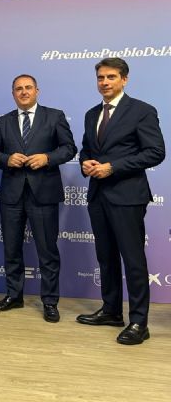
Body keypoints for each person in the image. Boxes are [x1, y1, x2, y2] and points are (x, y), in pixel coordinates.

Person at [77, 57, 165, 345]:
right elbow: (86, 149)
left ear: (124, 79)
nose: (105, 82)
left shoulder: (142, 110)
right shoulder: (92, 114)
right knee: (106, 257)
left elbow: (155, 152)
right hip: (98, 195)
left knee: (133, 259)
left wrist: (113, 167)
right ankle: (111, 311)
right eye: (101, 77)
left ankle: (139, 322)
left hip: (128, 196)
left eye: (111, 77)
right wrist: (86, 163)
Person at [0, 74, 77, 322]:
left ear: (37, 91)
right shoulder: (4, 121)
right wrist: (7, 159)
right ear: (13, 94)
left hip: (44, 193)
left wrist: (47, 158)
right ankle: (13, 296)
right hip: (12, 194)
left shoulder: (55, 116)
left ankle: (50, 301)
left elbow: (69, 148)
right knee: (11, 248)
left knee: (47, 251)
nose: (24, 92)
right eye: (19, 89)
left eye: (28, 88)